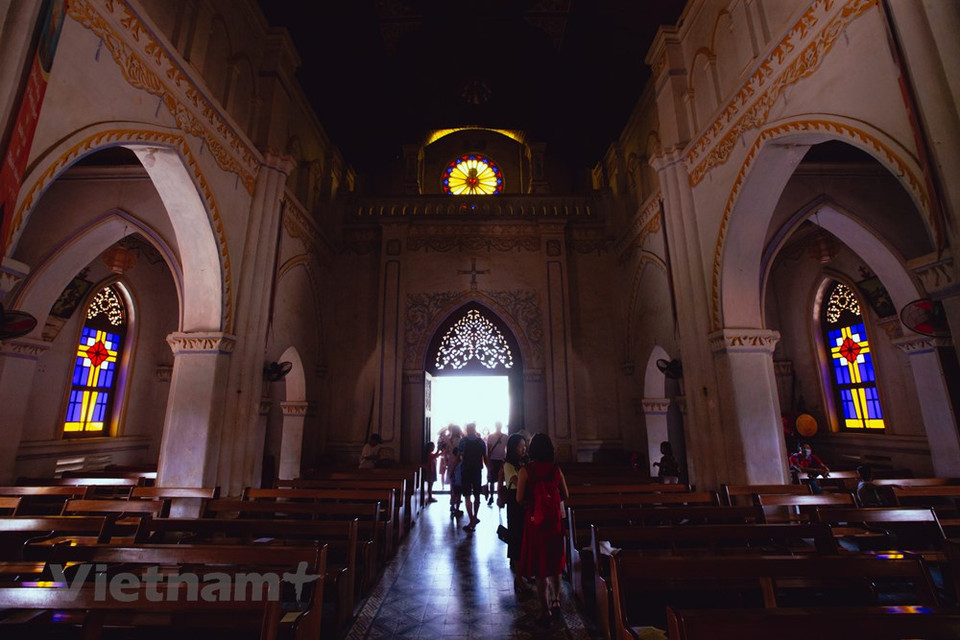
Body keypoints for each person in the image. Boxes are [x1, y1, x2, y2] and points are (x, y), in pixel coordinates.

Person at [517, 433, 569, 626]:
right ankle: (556, 599)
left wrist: (533, 505)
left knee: (540, 567)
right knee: (555, 562)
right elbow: (566, 494)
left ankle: (544, 608)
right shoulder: (556, 470)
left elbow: (519, 498)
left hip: (535, 523)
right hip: (554, 523)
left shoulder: (526, 471)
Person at [498, 433, 528, 593]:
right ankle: (519, 578)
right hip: (515, 505)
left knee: (525, 538)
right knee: (516, 538)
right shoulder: (509, 465)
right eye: (520, 446)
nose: (523, 448)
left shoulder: (524, 462)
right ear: (512, 448)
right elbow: (517, 482)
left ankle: (525, 572)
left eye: (525, 445)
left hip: (524, 503)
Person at [458, 422, 487, 532]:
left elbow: (458, 456)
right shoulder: (481, 442)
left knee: (467, 496)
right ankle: (475, 516)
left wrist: (452, 470)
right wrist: (489, 470)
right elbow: (485, 457)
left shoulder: (463, 442)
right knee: (477, 495)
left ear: (467, 429)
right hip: (477, 470)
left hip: (465, 470)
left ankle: (471, 519)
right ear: (475, 429)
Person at [485, 422, 508, 505]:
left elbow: (489, 450)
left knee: (493, 480)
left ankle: (493, 496)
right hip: (499, 460)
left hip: (495, 460)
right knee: (499, 480)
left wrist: (488, 462)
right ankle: (498, 497)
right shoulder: (505, 437)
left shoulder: (491, 437)